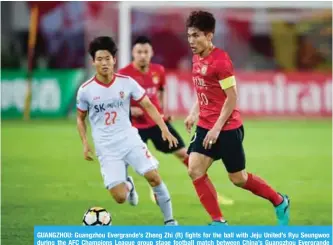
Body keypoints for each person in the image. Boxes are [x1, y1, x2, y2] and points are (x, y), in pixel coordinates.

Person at [184, 11, 290, 225]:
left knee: (238, 179)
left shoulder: (221, 61)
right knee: (195, 169)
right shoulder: (196, 59)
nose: (191, 41)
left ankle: (279, 200)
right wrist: (194, 112)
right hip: (206, 125)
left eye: (196, 36)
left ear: (209, 35)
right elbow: (205, 90)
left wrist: (216, 129)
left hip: (227, 128)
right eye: (189, 36)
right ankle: (218, 221)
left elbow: (232, 98)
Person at [118, 36, 233, 205]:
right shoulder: (124, 75)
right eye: (139, 52)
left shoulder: (158, 70)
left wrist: (162, 112)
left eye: (145, 52)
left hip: (157, 124)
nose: (142, 55)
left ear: (151, 53)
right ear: (133, 54)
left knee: (184, 154)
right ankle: (142, 187)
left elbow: (161, 91)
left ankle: (212, 193)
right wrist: (129, 110)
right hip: (134, 127)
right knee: (130, 161)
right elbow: (115, 101)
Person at [76, 36, 178, 225]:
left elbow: (148, 104)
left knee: (154, 177)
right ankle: (128, 185)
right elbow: (80, 118)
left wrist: (164, 128)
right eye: (100, 59)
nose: (104, 63)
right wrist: (84, 143)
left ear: (114, 60)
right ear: (93, 62)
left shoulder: (127, 82)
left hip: (129, 139)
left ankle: (170, 222)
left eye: (108, 58)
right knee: (120, 197)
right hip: (106, 148)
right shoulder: (85, 91)